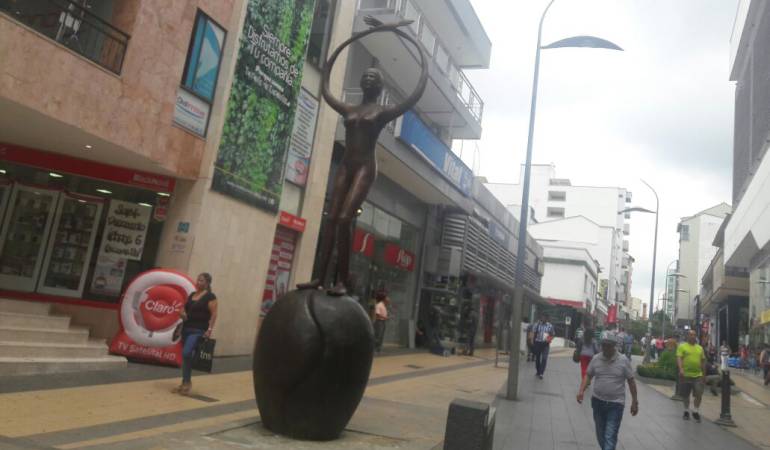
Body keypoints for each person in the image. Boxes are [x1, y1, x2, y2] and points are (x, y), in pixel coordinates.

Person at [297, 16, 428, 295]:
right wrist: (332, 57)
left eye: (373, 78)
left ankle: (343, 280)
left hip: (365, 168)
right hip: (347, 165)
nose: (368, 79)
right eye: (365, 77)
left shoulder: (380, 113)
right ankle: (320, 278)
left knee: (345, 219)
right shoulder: (350, 110)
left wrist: (403, 35)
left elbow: (416, 91)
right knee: (331, 219)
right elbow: (325, 89)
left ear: (378, 87)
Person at [577, 332, 639, 450]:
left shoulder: (623, 360)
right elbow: (588, 375)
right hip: (598, 402)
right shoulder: (596, 359)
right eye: (603, 345)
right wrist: (581, 391)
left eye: (608, 345)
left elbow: (631, 381)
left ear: (614, 346)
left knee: (610, 436)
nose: (605, 348)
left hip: (615, 404)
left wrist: (635, 401)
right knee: (601, 435)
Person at [173, 273, 218, 395]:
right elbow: (184, 309)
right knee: (186, 357)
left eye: (201, 280)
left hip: (198, 330)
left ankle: (186, 382)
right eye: (198, 280)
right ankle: (185, 383)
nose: (198, 282)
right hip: (186, 328)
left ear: (207, 283)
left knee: (187, 353)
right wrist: (182, 313)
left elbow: (214, 314)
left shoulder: (210, 296)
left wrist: (209, 330)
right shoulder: (192, 295)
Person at [677, 330, 706, 422]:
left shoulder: (700, 348)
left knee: (699, 393)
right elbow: (679, 358)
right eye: (690, 335)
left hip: (698, 375)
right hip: (685, 375)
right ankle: (686, 410)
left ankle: (695, 410)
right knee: (686, 395)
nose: (692, 336)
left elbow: (702, 362)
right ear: (687, 336)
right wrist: (681, 369)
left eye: (694, 335)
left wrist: (704, 375)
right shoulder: (682, 347)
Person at [531, 312, 555, 379]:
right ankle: (538, 371)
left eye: (544, 317)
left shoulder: (550, 326)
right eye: (542, 317)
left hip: (545, 344)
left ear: (547, 318)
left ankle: (541, 373)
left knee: (544, 358)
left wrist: (549, 339)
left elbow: (553, 335)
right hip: (538, 343)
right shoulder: (537, 325)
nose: (543, 318)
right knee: (537, 358)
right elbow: (533, 332)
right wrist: (532, 341)